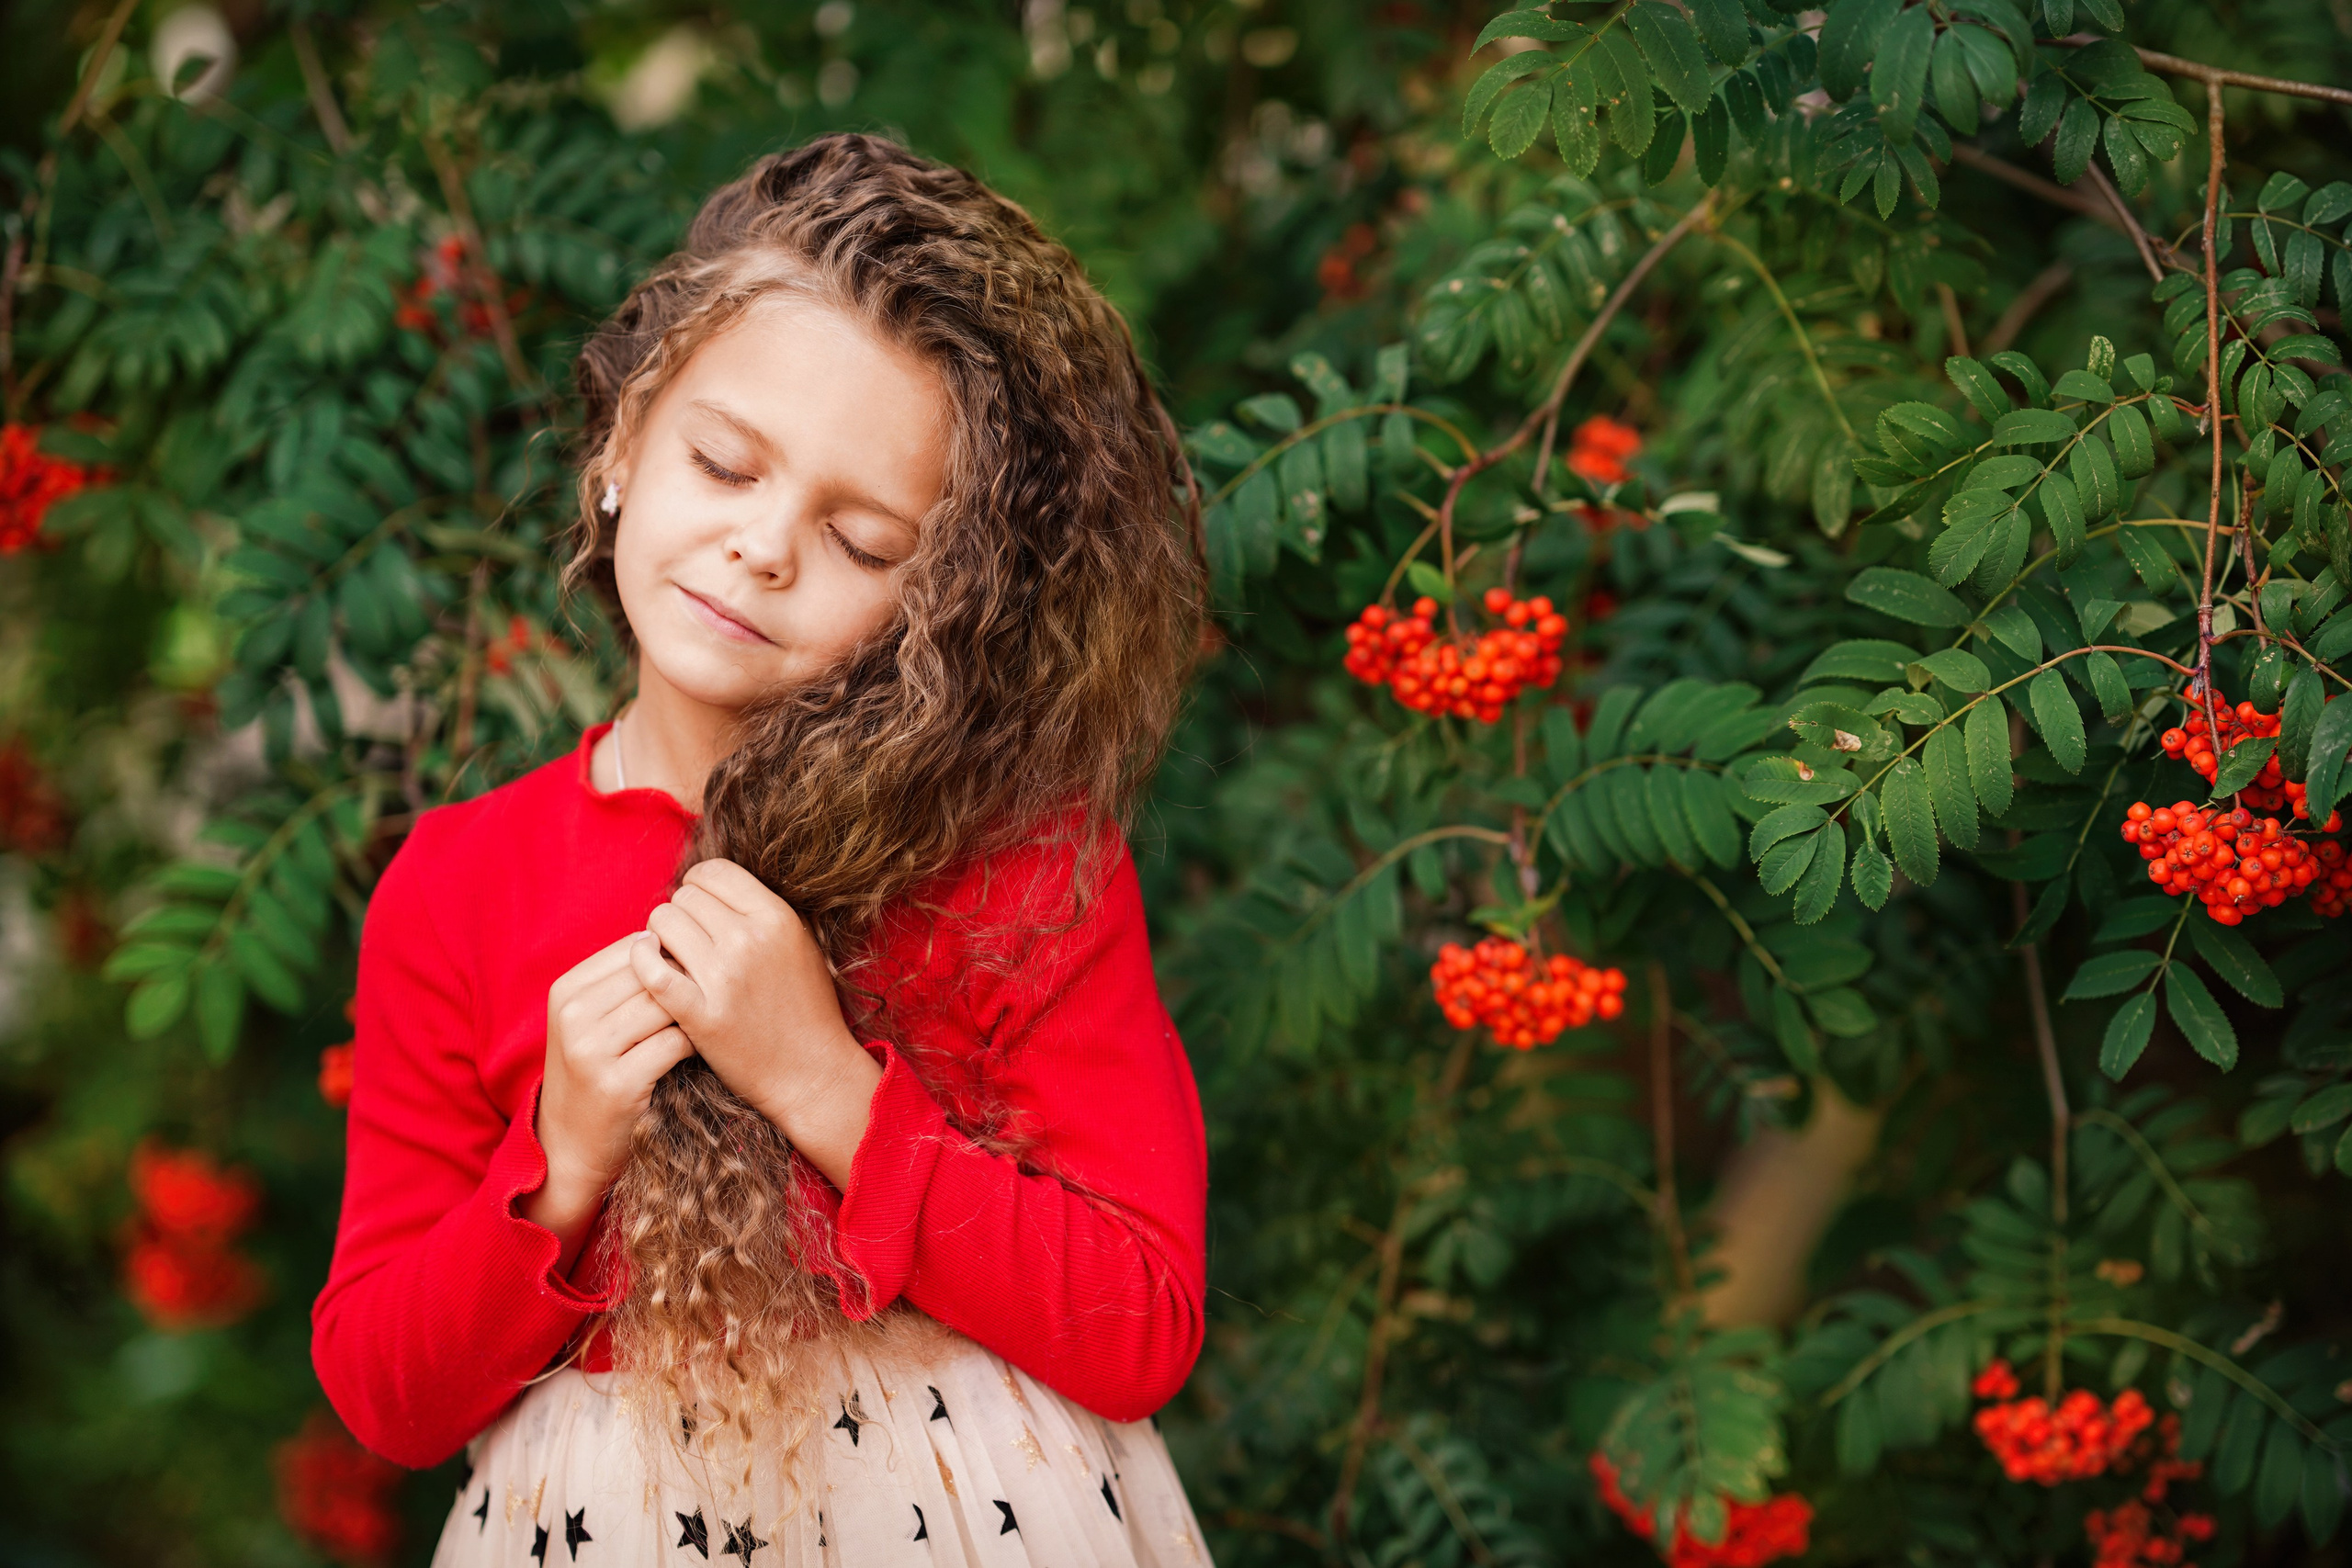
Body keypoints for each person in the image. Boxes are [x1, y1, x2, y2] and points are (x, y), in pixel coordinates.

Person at [311, 134, 1215, 1567]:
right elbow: (387, 1397)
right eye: (726, 464)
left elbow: (1143, 1327)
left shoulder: (1016, 867)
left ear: (946, 604)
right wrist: (559, 1163)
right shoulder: (461, 883)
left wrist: (826, 1086)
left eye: (862, 542)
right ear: (620, 447)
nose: (765, 549)